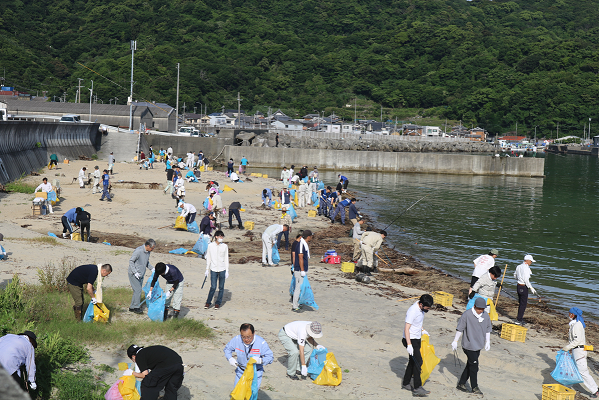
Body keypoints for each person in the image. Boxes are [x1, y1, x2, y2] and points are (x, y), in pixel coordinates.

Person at [452, 297, 492, 395]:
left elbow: (488, 329)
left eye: (482, 309)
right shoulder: (467, 315)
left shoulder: (486, 316)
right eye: (479, 309)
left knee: (471, 364)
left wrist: (488, 342)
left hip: (479, 345)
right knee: (474, 367)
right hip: (468, 345)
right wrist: (455, 341)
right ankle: (475, 387)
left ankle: (461, 383)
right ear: (474, 306)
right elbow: (460, 329)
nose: (480, 311)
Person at [224, 323, 274, 390]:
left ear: (254, 333)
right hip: (241, 372)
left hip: (255, 374)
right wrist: (230, 358)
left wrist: (260, 360)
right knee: (237, 394)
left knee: (250, 396)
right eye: (243, 337)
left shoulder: (261, 343)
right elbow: (227, 349)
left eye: (249, 337)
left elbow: (270, 357)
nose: (246, 339)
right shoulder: (237, 339)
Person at [562, 308, 598, 398]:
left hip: (579, 351)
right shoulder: (575, 324)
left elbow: (577, 340)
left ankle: (595, 390)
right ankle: (568, 386)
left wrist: (567, 347)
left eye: (569, 313)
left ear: (573, 315)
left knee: (583, 372)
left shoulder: (577, 325)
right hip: (576, 350)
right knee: (573, 369)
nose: (568, 315)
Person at [402, 294, 434, 397]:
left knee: (412, 361)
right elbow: (406, 329)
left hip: (417, 338)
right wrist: (409, 345)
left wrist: (423, 330)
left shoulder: (421, 309)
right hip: (410, 339)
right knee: (418, 362)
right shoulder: (412, 311)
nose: (427, 310)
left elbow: (418, 322)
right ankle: (417, 387)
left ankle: (406, 383)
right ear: (421, 304)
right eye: (427, 308)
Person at [128, 239, 156, 314]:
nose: (152, 249)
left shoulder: (148, 252)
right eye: (152, 248)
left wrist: (152, 268)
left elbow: (146, 262)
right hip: (134, 274)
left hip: (141, 274)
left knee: (136, 291)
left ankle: (132, 307)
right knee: (138, 290)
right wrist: (135, 272)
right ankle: (137, 307)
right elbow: (131, 261)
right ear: (147, 246)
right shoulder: (138, 251)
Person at [205, 230, 229, 310]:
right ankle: (208, 302)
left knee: (221, 287)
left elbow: (226, 259)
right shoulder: (210, 246)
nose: (221, 238)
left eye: (222, 237)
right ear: (216, 237)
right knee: (213, 287)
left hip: (222, 268)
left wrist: (227, 270)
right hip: (213, 268)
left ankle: (218, 303)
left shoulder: (225, 246)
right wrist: (207, 269)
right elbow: (209, 258)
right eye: (220, 236)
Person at [292, 230, 313, 312]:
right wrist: (302, 270)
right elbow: (300, 257)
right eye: (311, 236)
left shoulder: (304, 244)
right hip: (299, 270)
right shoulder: (301, 245)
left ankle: (298, 303)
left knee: (301, 288)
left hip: (301, 269)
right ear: (308, 237)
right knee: (298, 288)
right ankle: (294, 306)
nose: (311, 237)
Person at [513, 255, 537, 325]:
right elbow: (526, 280)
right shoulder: (526, 268)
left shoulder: (519, 266)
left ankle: (519, 318)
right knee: (523, 304)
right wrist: (531, 287)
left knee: (521, 302)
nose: (531, 263)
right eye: (531, 261)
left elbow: (515, 275)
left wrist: (519, 280)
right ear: (528, 260)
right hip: (523, 287)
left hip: (518, 286)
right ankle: (519, 319)